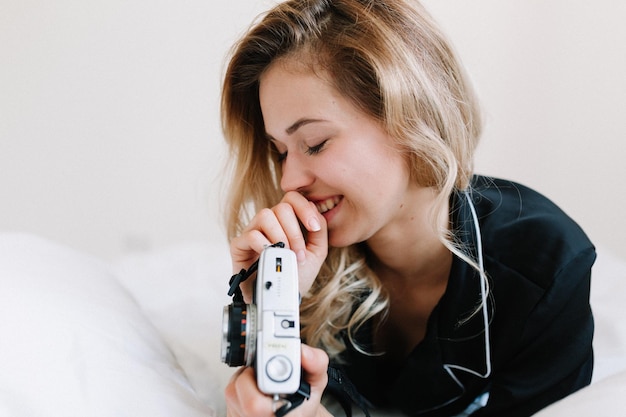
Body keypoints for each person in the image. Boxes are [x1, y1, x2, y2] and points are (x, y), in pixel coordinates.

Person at [220, 0, 596, 416]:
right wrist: (271, 313)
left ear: (411, 116)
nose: (289, 181)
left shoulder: (546, 264)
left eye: (315, 143)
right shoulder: (302, 266)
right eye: (280, 153)